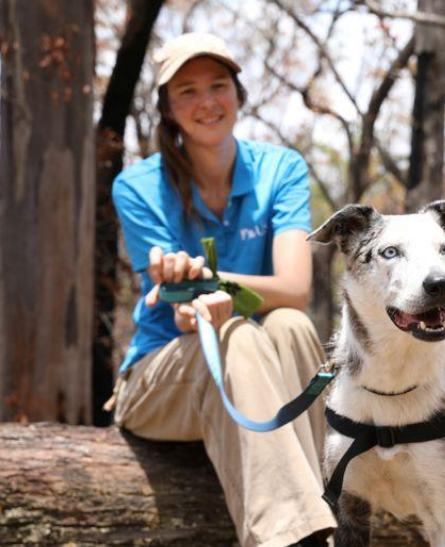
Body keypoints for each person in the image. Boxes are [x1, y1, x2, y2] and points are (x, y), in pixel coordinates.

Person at [110, 32, 336, 547]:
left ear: (238, 93)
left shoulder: (280, 168)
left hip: (260, 371)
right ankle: (289, 538)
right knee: (237, 335)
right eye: (187, 91)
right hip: (162, 378)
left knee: (291, 323)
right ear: (167, 108)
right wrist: (196, 307)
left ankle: (328, 508)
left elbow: (295, 288)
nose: (207, 102)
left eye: (218, 85)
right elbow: (185, 317)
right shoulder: (138, 186)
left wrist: (218, 289)